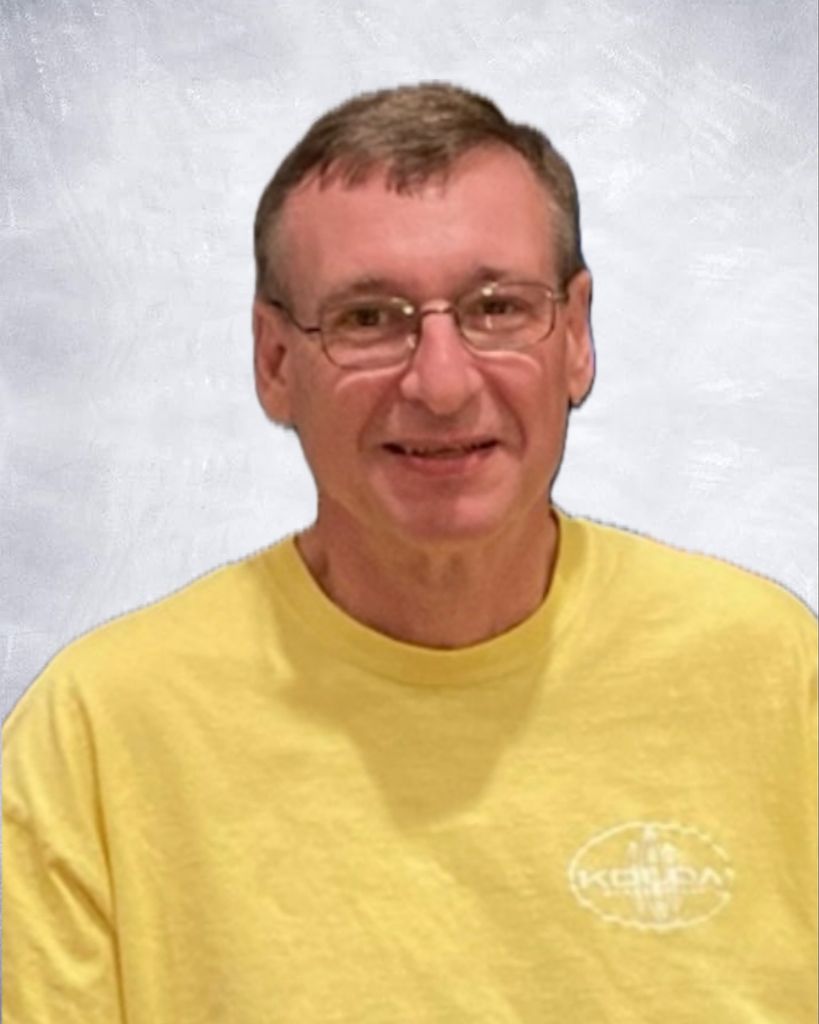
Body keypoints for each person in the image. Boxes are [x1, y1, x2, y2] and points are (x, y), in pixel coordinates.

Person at [3, 82, 816, 1024]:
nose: (440, 383)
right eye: (368, 319)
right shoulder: (102, 731)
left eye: (497, 308)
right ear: (274, 361)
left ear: (576, 337)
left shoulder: (770, 672)